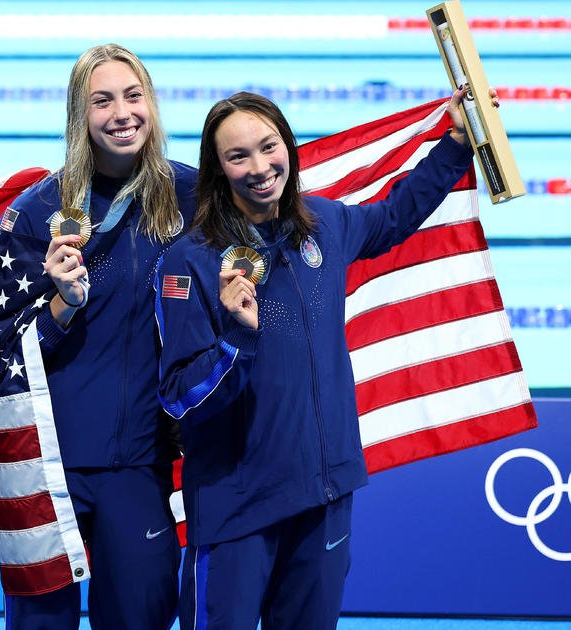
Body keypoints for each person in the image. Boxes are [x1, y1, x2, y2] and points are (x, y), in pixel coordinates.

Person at [155, 89, 482, 629]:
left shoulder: (325, 227)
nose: (260, 168)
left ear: (290, 146)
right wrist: (238, 340)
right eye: (239, 157)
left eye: (269, 147)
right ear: (217, 170)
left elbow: (395, 216)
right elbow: (180, 397)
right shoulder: (191, 261)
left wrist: (454, 146)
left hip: (324, 493)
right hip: (237, 508)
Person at [0, 43, 196, 629]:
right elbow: (0, 353)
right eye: (101, 101)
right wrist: (59, 306)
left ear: (151, 104)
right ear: (79, 116)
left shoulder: (191, 197)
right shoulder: (35, 215)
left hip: (141, 464)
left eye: (133, 96)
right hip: (51, 468)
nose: (121, 113)